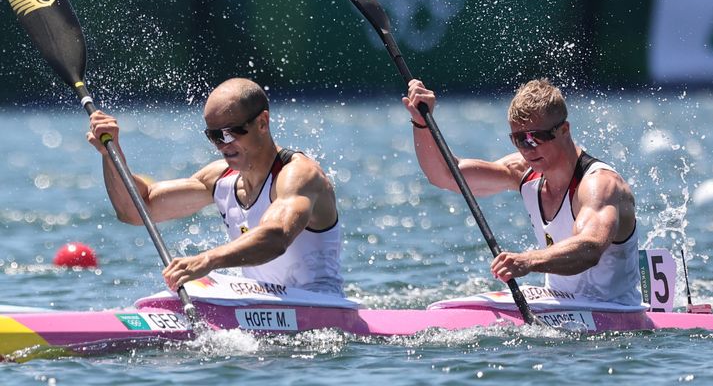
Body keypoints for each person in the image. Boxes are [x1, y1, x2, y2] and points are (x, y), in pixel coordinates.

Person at [87, 78, 344, 296]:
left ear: (262, 123)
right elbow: (136, 209)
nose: (223, 144)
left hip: (320, 311)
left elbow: (276, 236)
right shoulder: (220, 178)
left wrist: (207, 260)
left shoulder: (298, 174)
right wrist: (110, 153)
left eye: (232, 133)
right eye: (214, 135)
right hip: (262, 305)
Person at [402, 78, 641, 305]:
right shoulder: (522, 172)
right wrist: (421, 122)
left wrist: (528, 261)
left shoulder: (599, 184)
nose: (527, 148)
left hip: (615, 315)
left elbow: (590, 248)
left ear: (564, 130)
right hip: (559, 307)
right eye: (519, 139)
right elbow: (444, 176)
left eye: (535, 138)